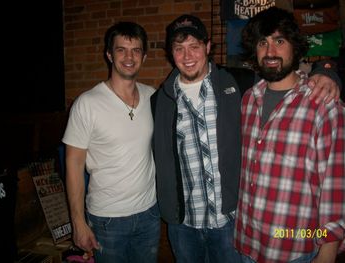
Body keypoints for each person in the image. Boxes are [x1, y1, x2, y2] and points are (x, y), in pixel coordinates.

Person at [151, 14, 342, 263]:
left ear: (208, 47)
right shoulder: (248, 98)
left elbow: (336, 184)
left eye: (194, 47)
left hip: (259, 232)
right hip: (219, 233)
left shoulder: (237, 84)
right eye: (179, 49)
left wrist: (326, 70)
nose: (187, 56)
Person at [234, 7, 345, 263]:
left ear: (294, 47)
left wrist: (327, 251)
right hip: (246, 242)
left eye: (280, 41)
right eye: (263, 42)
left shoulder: (323, 104)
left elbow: (335, 183)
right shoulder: (249, 99)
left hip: (294, 247)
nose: (270, 52)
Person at [62, 21, 160, 263]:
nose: (129, 57)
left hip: (149, 213)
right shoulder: (87, 103)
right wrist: (78, 223)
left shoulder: (153, 97)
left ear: (144, 57)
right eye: (121, 49)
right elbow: (73, 165)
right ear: (109, 54)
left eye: (136, 50)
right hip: (107, 220)